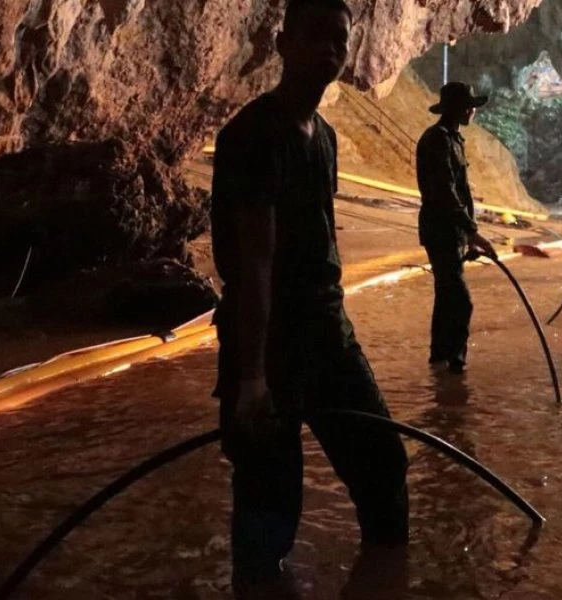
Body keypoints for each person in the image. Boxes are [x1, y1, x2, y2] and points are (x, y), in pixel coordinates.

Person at [210, 1, 409, 596]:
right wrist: (251, 381)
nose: (330, 48)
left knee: (383, 465)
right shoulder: (253, 135)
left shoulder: (323, 138)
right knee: (271, 507)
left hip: (328, 331)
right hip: (269, 343)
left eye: (340, 40)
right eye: (315, 36)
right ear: (282, 43)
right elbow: (256, 262)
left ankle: (386, 582)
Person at [416, 81, 498, 375]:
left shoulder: (453, 139)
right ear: (459, 109)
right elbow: (445, 193)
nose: (473, 110)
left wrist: (467, 235)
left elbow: (457, 192)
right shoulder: (437, 139)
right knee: (460, 301)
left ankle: (439, 361)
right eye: (469, 106)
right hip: (441, 230)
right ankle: (455, 365)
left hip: (452, 231)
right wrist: (473, 231)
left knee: (447, 295)